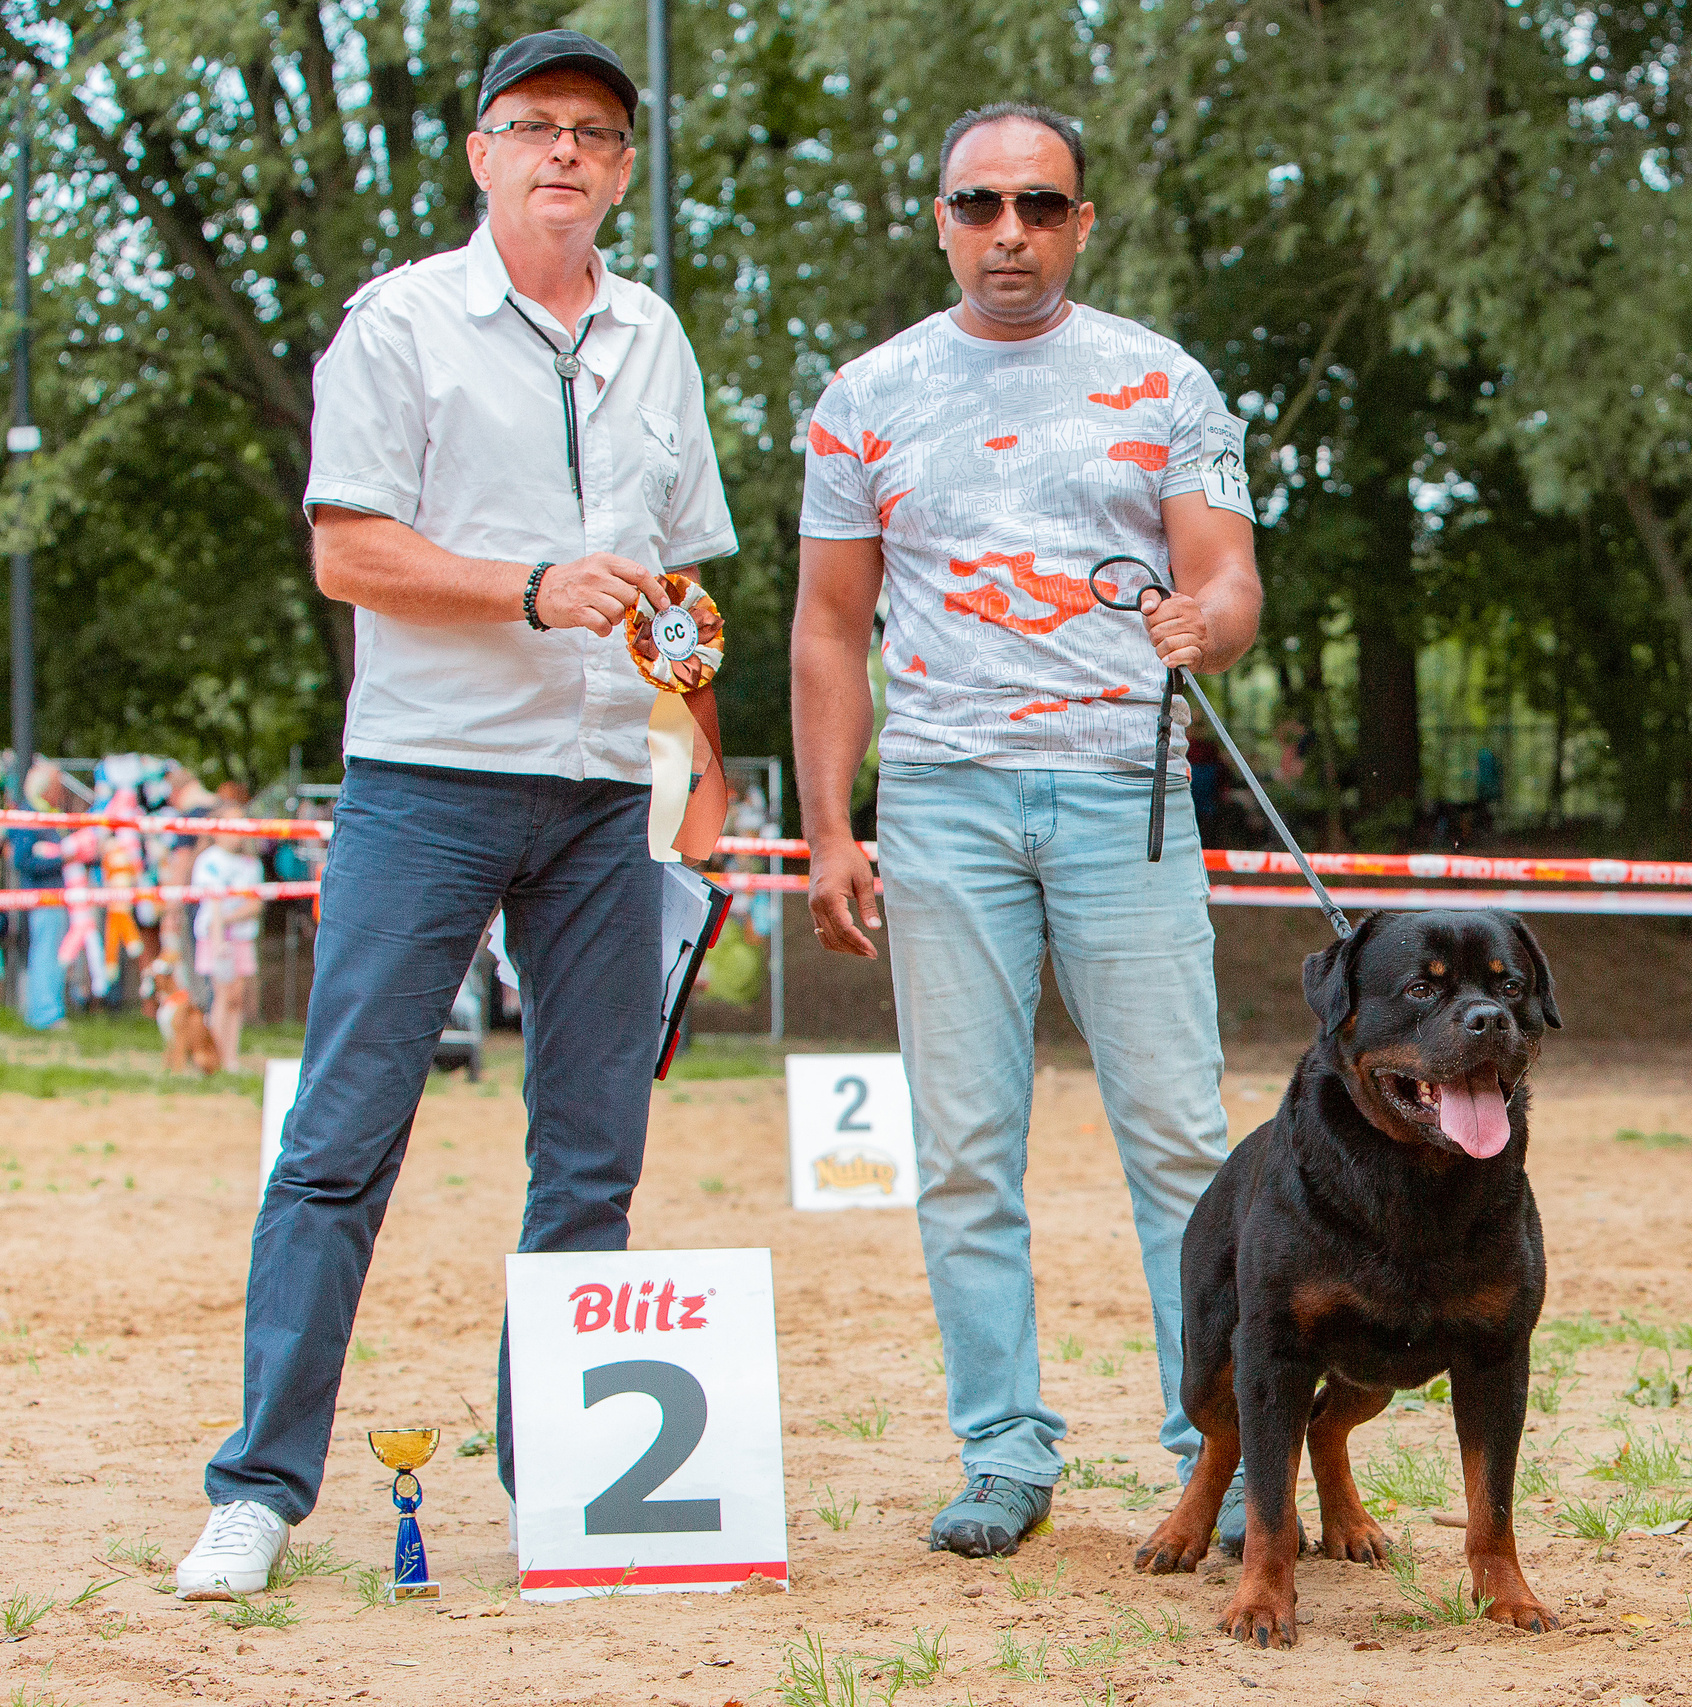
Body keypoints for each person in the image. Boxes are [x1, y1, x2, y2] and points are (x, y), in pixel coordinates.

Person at [178, 30, 737, 1597]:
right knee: (341, 1141)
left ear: (623, 171)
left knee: (592, 1159)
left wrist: (706, 764)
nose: (566, 151)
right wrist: (528, 587)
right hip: (424, 783)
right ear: (482, 153)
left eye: (596, 134)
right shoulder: (398, 323)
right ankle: (259, 1487)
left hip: (607, 799)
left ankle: (562, 1483)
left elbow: (683, 586)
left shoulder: (657, 337)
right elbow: (348, 553)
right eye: (534, 126)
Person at [793, 102, 1262, 1560]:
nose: (1011, 230)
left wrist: (1213, 625)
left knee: (1182, 1137)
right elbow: (827, 621)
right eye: (982, 203)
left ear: (1082, 222)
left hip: (1128, 789)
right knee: (962, 1151)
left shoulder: (1163, 379)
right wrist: (828, 827)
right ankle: (1003, 1446)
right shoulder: (864, 395)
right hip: (941, 799)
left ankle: (1224, 1449)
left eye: (1041, 206)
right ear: (939, 217)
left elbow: (1232, 576)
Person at [189, 826, 266, 1073]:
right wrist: (219, 936)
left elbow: (255, 905)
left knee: (236, 997)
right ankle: (214, 1055)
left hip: (241, 936)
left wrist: (230, 919)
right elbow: (213, 904)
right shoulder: (209, 860)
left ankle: (231, 1057)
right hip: (216, 937)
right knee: (222, 995)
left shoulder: (251, 864)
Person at [7, 759, 68, 1031]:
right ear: (45, 789)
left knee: (48, 953)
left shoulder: (45, 814)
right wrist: (63, 859)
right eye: (57, 786)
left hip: (53, 896)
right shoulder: (29, 815)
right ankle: (45, 1014)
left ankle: (44, 1011)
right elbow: (21, 861)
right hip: (42, 896)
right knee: (45, 954)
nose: (61, 792)